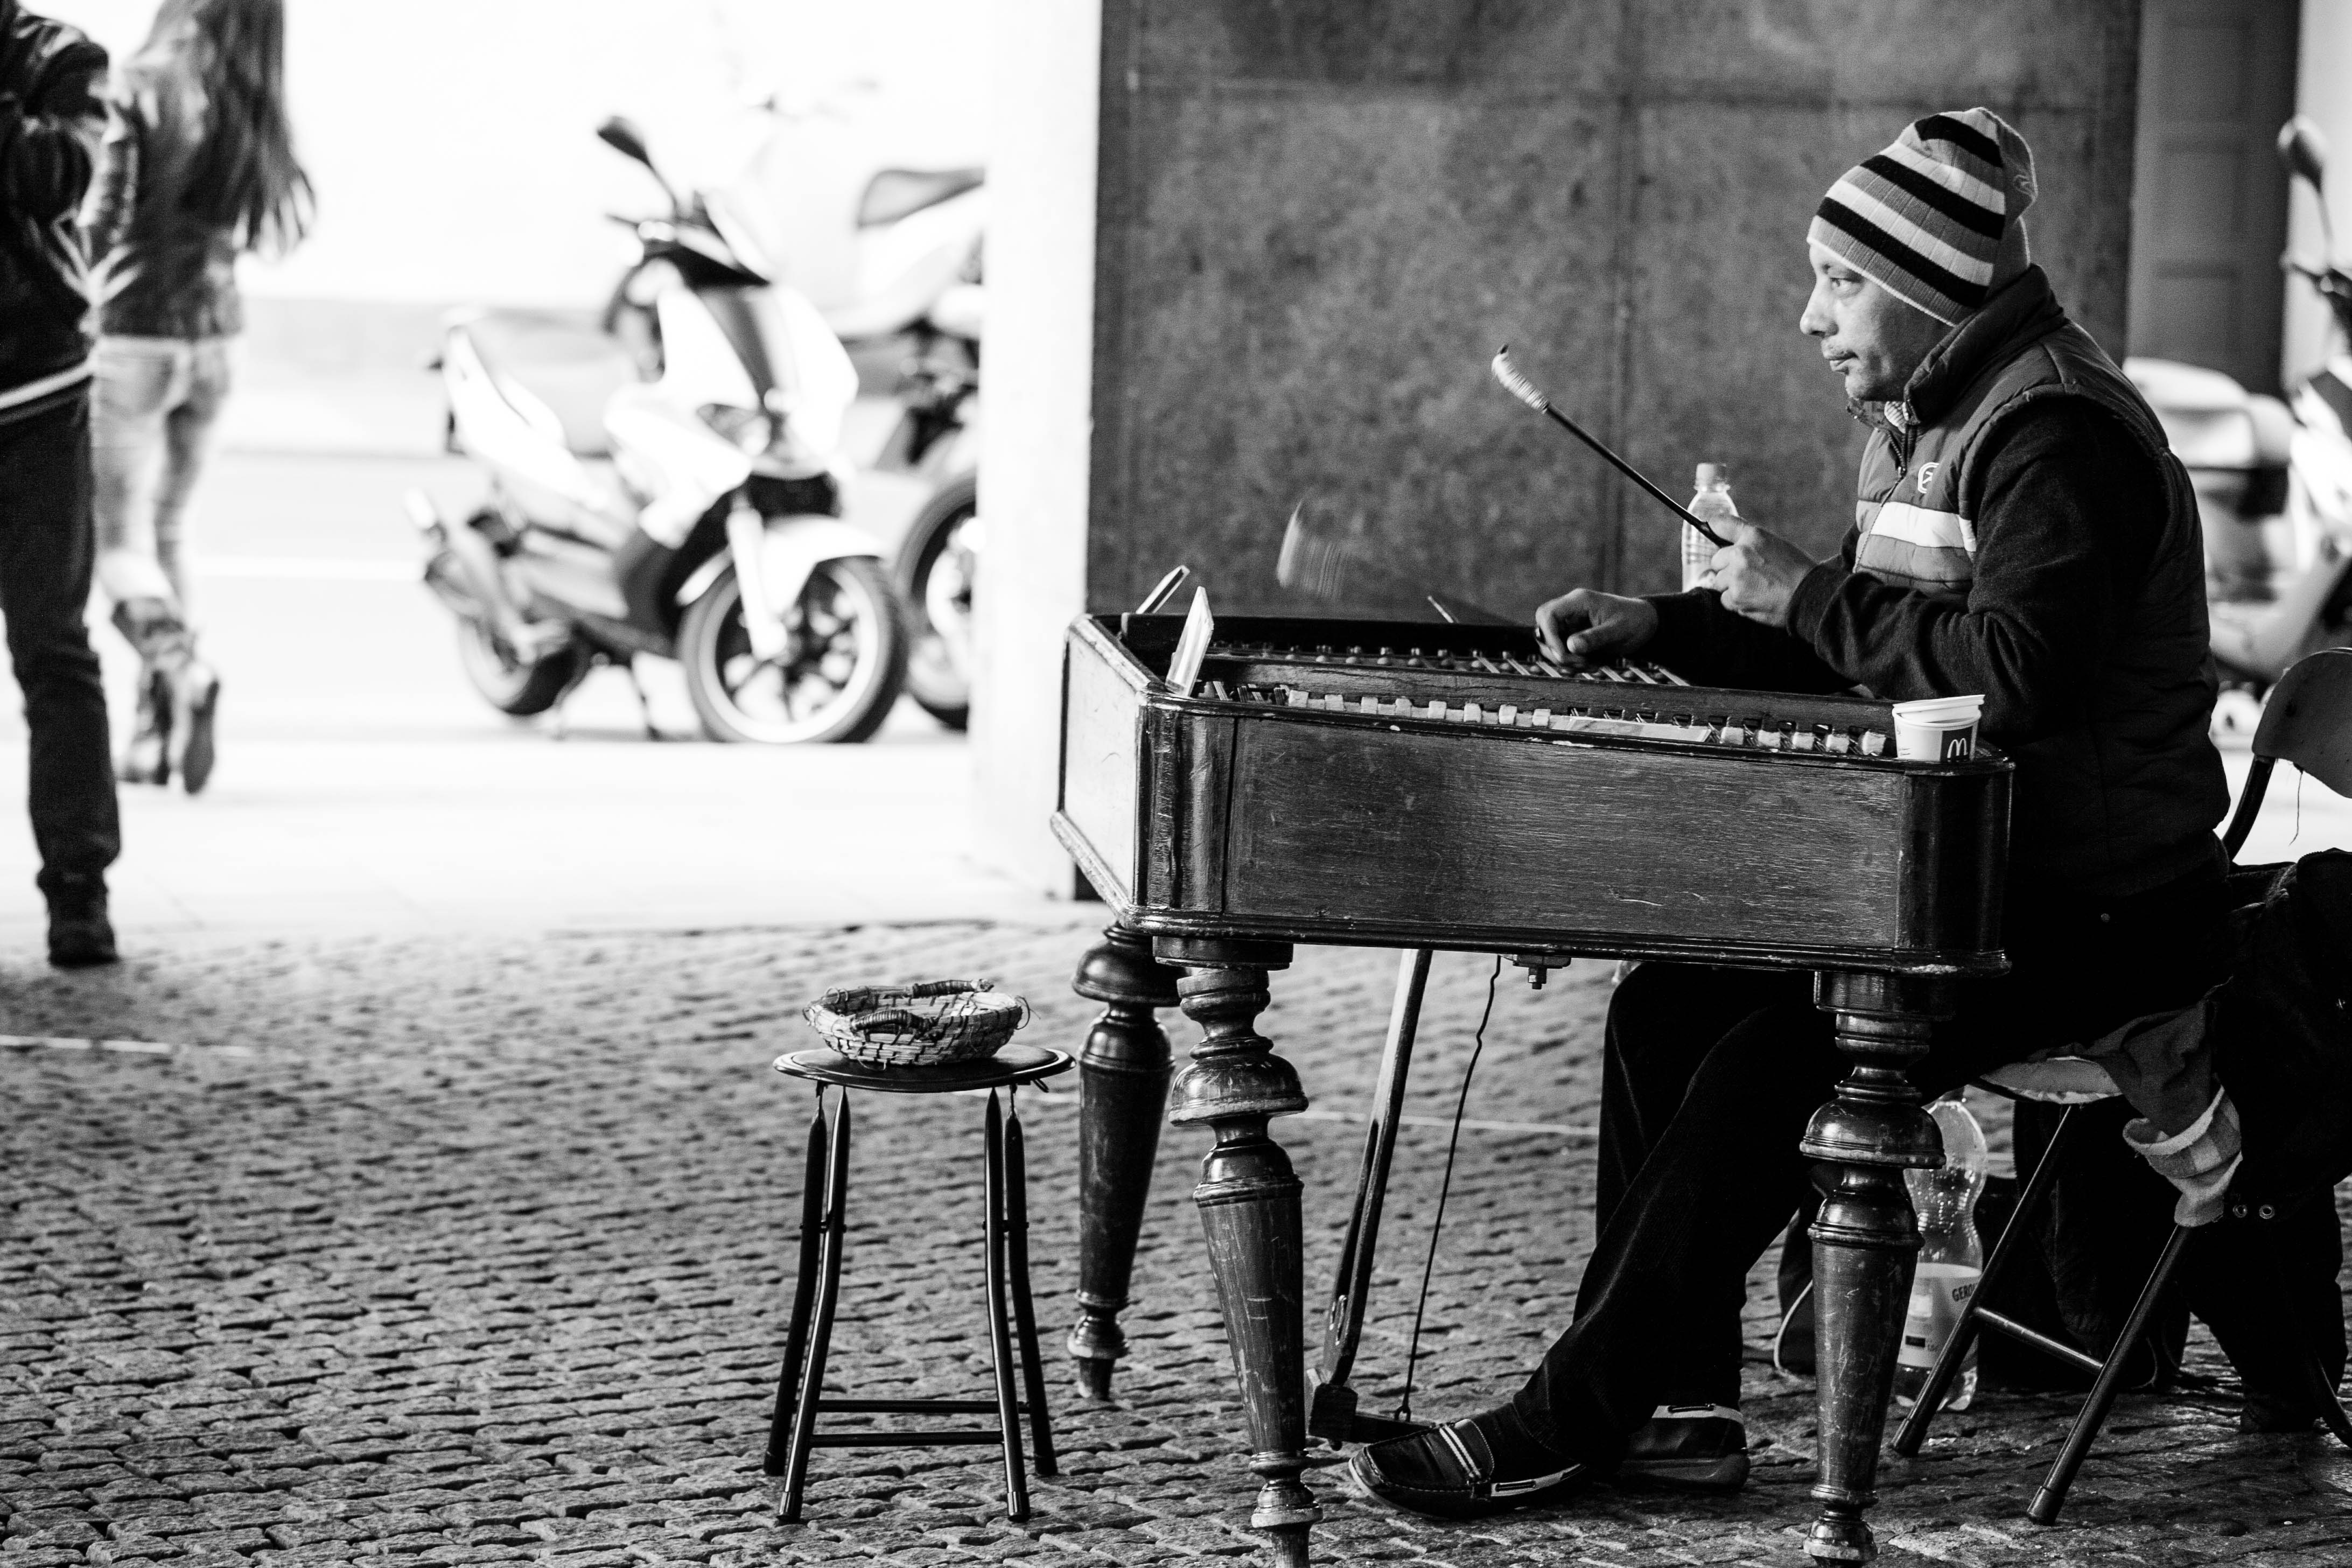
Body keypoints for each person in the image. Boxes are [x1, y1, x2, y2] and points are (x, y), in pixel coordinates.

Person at [1350, 108, 2341, 1520]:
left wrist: (1804, 590)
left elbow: (2012, 681)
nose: (1808, 315)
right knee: (1664, 1011)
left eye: (1840, 279)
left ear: (1930, 285)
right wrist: (1685, 622)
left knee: (1769, 1065)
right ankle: (1680, 1414)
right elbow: (1874, 648)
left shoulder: (2057, 431)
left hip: (2099, 914)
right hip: (1953, 883)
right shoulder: (1933, 417)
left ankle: (1570, 1414)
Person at [84, 0, 312, 794]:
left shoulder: (138, 82)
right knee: (171, 529)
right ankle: (155, 732)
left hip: (131, 339)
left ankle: (182, 669)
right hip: (218, 339)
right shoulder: (256, 97)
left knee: (117, 545)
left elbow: (99, 224)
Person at [0, 0, 121, 968]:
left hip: (33, 390)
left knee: (53, 646)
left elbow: (53, 179)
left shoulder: (65, 59)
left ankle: (78, 887)